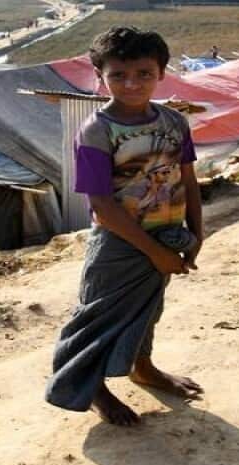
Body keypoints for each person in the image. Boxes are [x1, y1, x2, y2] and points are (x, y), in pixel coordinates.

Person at [45, 26, 205, 426]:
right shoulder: (97, 132)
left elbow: (188, 180)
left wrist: (197, 235)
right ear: (100, 76)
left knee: (147, 310)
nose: (132, 84)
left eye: (144, 73)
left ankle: (143, 368)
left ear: (162, 73)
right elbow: (100, 206)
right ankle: (92, 388)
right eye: (119, 75)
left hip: (167, 235)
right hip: (120, 244)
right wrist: (156, 253)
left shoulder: (174, 122)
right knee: (97, 319)